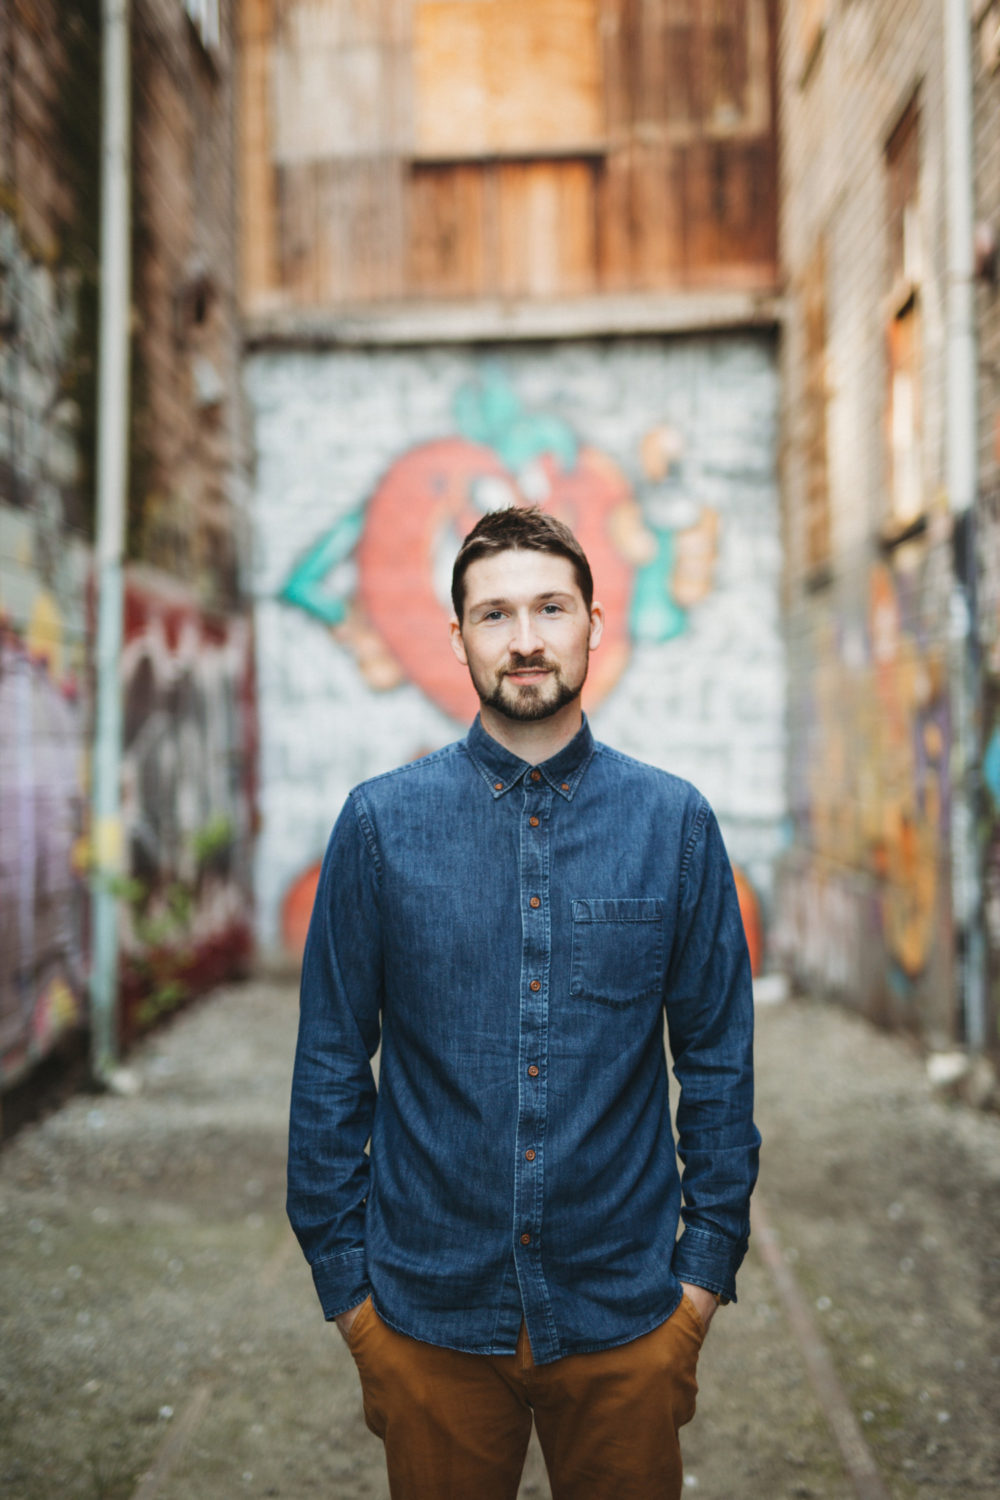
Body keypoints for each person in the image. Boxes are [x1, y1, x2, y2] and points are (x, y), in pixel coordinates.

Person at [287, 504, 760, 1500]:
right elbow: (330, 1068)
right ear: (456, 638)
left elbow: (716, 1064)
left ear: (596, 622)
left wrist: (699, 1285)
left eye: (551, 607)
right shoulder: (380, 827)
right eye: (495, 615)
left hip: (626, 1314)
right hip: (426, 1320)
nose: (527, 639)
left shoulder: (672, 823)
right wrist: (352, 1303)